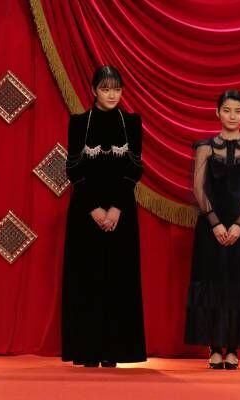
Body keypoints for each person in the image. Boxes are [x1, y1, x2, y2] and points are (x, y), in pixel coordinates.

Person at [62, 65, 146, 368]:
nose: (112, 95)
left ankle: (115, 351)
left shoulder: (131, 123)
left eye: (117, 89)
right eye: (105, 89)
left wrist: (115, 209)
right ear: (94, 90)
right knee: (87, 279)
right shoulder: (79, 123)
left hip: (121, 213)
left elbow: (134, 168)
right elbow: (73, 169)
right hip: (86, 213)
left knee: (118, 280)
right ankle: (87, 350)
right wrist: (95, 209)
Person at [185, 90, 240, 370]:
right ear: (217, 112)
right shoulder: (205, 147)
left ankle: (233, 348)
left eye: (238, 111)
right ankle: (215, 347)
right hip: (210, 225)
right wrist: (215, 222)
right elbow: (198, 188)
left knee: (238, 282)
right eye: (227, 110)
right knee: (212, 281)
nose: (232, 116)